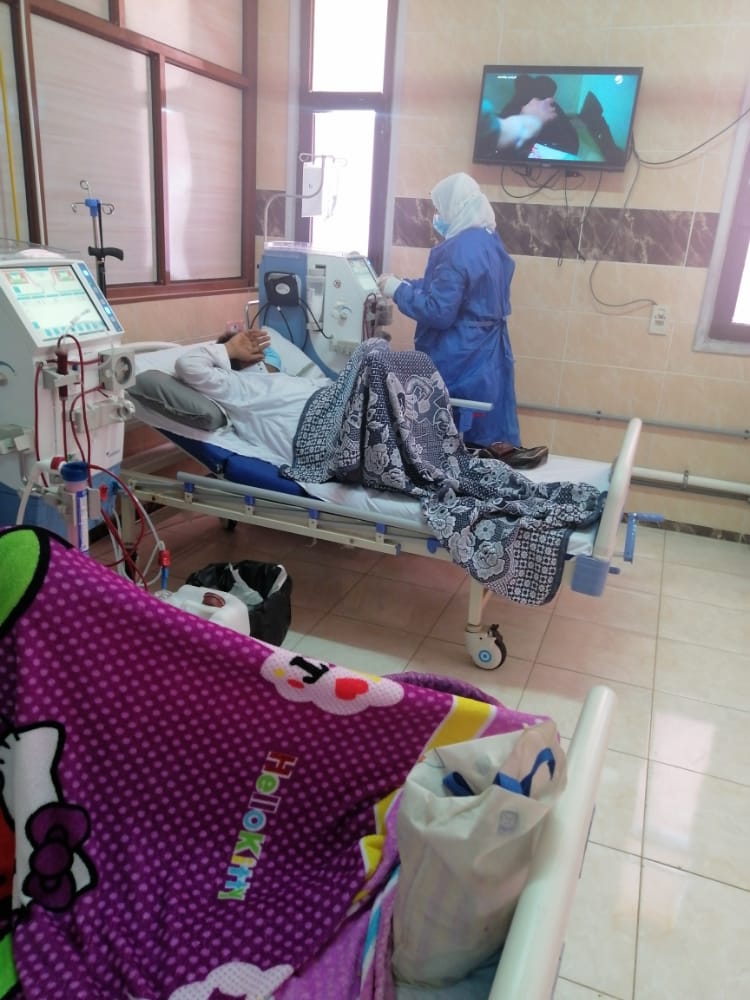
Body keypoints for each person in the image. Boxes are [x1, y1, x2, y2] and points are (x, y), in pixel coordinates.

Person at [377, 172, 547, 468]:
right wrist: (405, 285)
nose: (438, 217)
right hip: (487, 350)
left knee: (451, 427)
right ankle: (494, 458)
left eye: (440, 209)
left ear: (454, 207)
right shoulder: (488, 241)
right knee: (487, 425)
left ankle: (454, 470)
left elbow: (438, 311)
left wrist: (398, 291)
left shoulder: (457, 249)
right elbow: (448, 287)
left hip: (460, 353)